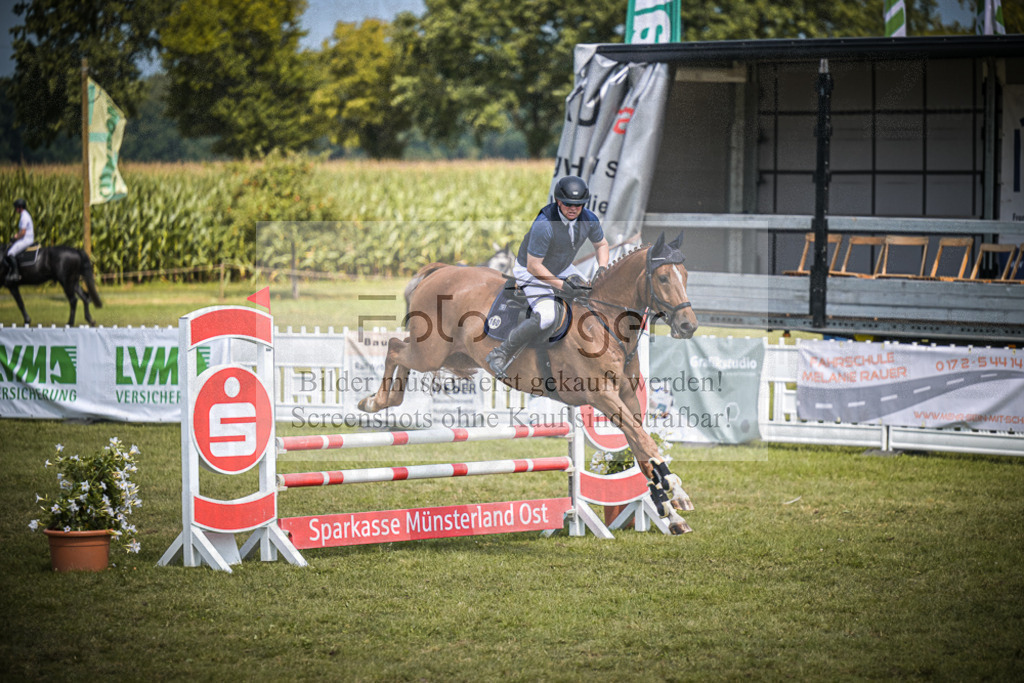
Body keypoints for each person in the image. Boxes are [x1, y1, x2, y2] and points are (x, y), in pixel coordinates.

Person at [486, 175, 610, 380]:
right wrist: (562, 285)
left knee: (593, 296)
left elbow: (602, 245)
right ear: (559, 202)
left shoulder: (588, 218)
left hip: (561, 267)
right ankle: (501, 352)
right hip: (530, 270)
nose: (573, 208)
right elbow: (535, 266)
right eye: (568, 204)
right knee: (547, 315)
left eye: (578, 205)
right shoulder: (545, 224)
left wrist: (602, 268)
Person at [6, 198, 34, 283]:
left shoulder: (24, 216)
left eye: (16, 207)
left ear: (20, 207)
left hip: (26, 239)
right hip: (25, 238)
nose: (16, 209)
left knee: (10, 253)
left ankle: (16, 274)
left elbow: (23, 232)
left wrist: (15, 237)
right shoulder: (24, 215)